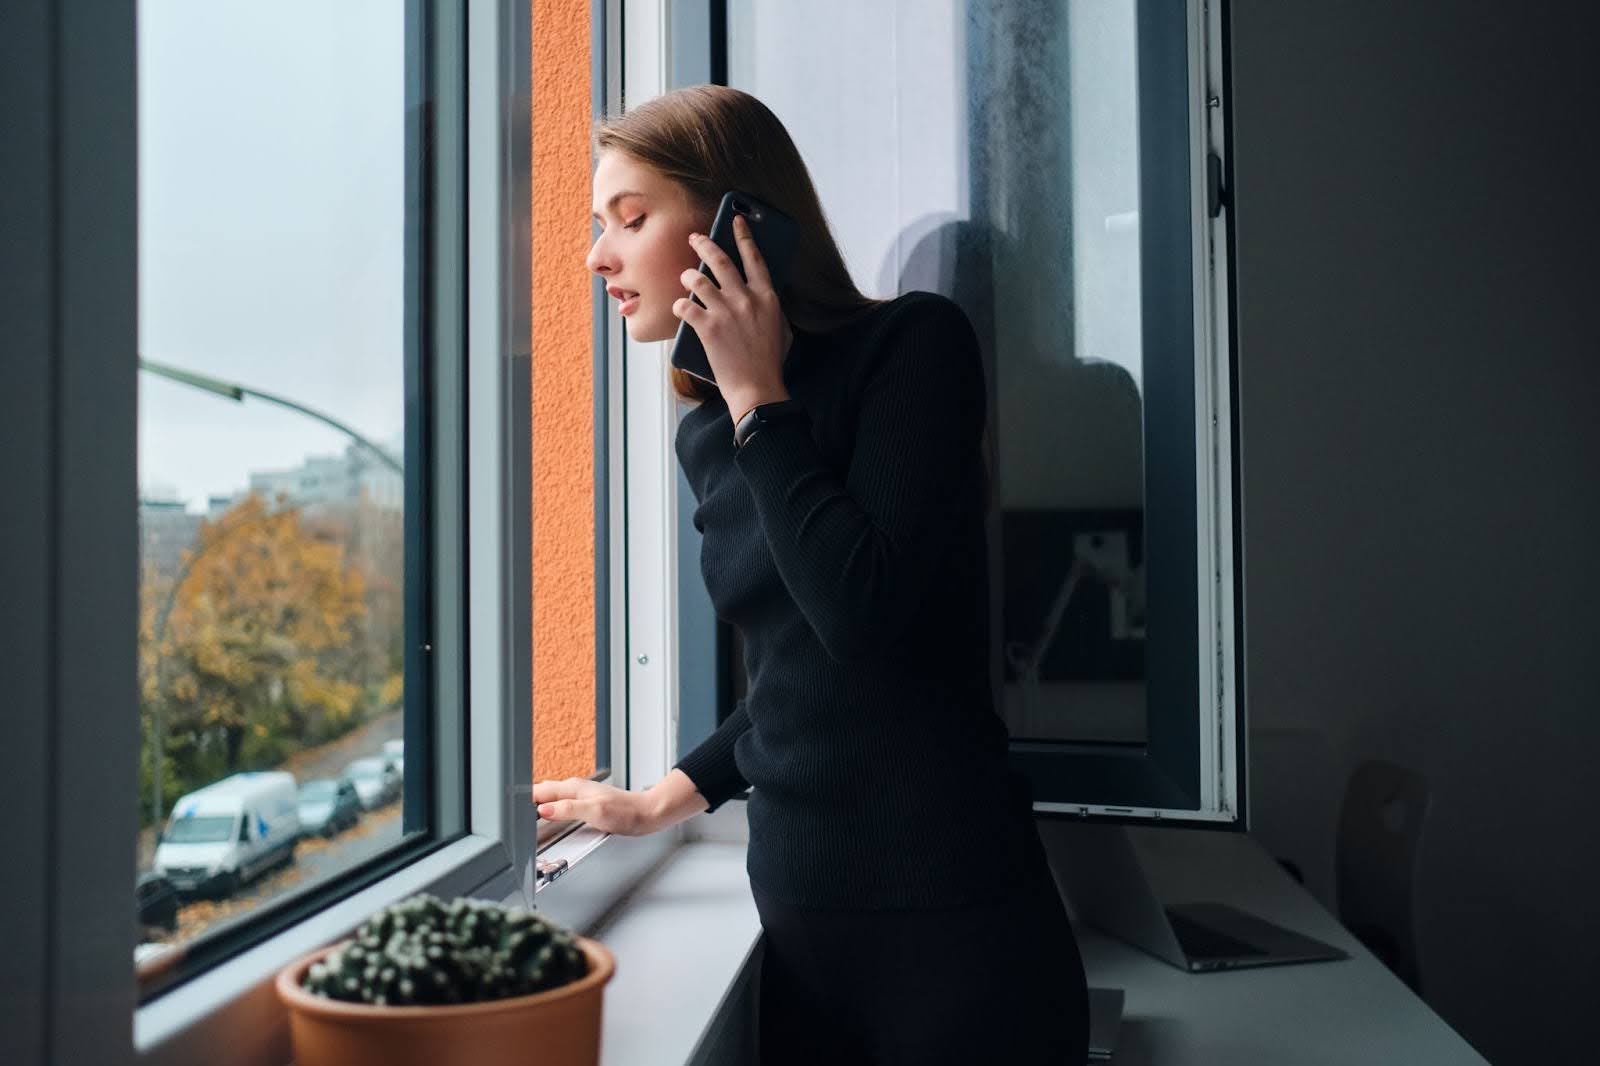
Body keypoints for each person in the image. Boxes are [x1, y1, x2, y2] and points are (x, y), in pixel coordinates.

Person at [534, 84, 1089, 1065]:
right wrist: (655, 800)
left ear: (733, 225)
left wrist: (758, 398)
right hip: (796, 921)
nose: (597, 255)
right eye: (596, 225)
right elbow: (799, 674)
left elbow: (859, 617)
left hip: (950, 924)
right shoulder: (713, 433)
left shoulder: (911, 349)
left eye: (629, 219)